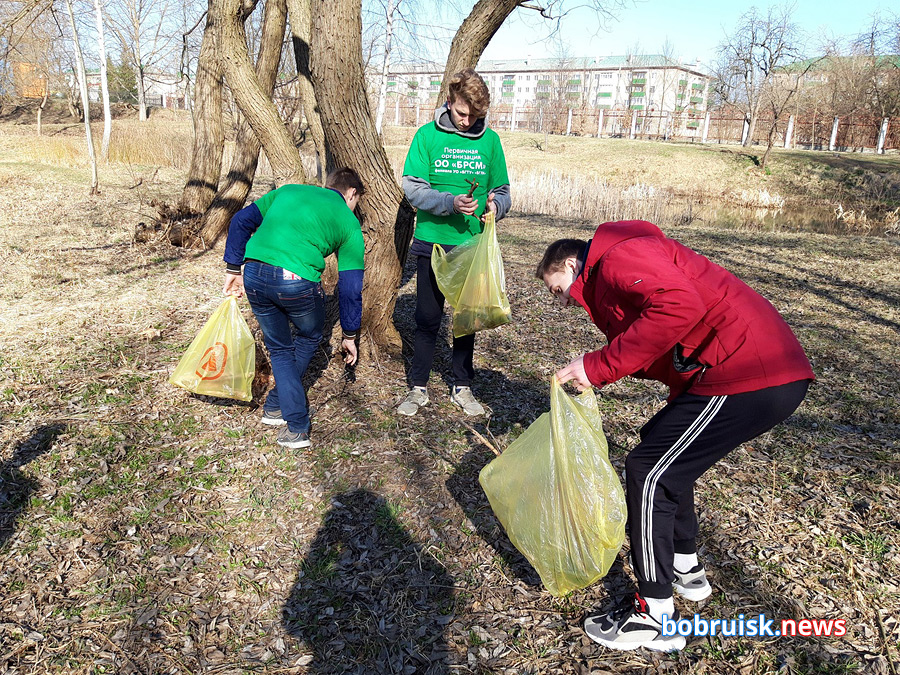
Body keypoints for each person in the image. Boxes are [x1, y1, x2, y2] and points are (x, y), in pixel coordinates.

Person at [535, 220, 815, 652]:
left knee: (648, 472)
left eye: (560, 290)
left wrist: (595, 366)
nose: (565, 302)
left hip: (749, 373)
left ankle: (654, 615)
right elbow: (673, 342)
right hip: (745, 371)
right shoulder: (625, 264)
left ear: (573, 264)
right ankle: (687, 568)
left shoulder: (617, 257)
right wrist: (605, 374)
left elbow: (679, 307)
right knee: (658, 450)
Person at [222, 168, 365, 450]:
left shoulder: (288, 191)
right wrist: (349, 334)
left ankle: (276, 405)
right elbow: (350, 288)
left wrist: (232, 267)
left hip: (254, 273)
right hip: (296, 282)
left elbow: (240, 220)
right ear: (352, 193)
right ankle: (297, 426)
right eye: (356, 202)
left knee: (279, 348)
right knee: (310, 336)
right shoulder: (349, 224)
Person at [398, 68, 511, 417]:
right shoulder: (427, 136)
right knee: (427, 318)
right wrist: (449, 202)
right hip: (431, 242)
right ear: (449, 101)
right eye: (462, 113)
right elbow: (412, 187)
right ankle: (418, 388)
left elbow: (503, 191)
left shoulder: (490, 142)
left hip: (471, 246)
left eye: (474, 116)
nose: (466, 121)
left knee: (467, 319)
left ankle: (462, 385)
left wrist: (495, 206)